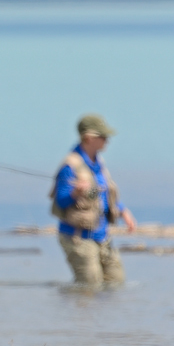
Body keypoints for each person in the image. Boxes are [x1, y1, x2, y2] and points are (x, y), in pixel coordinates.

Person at [51, 114, 136, 287]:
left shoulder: (99, 164)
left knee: (116, 283)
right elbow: (61, 201)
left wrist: (123, 211)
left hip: (102, 236)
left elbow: (105, 195)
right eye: (103, 136)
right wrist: (75, 192)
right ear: (88, 138)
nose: (107, 140)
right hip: (78, 238)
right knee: (89, 286)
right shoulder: (70, 166)